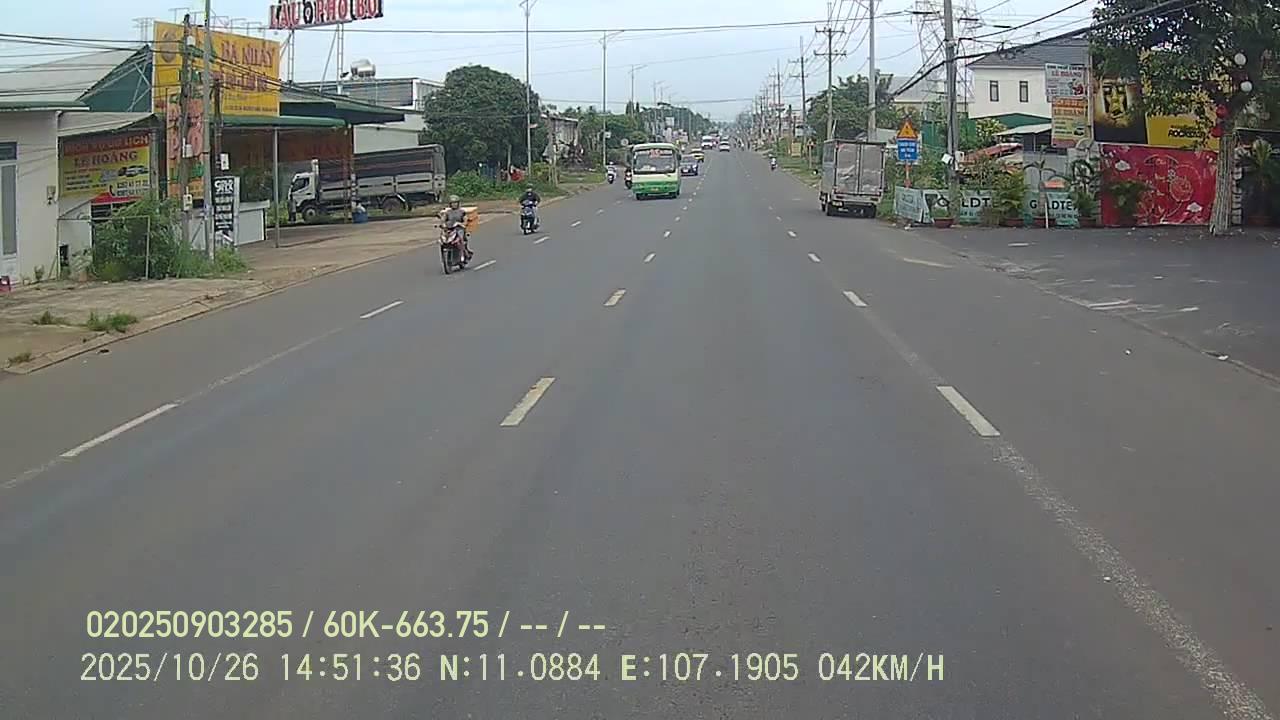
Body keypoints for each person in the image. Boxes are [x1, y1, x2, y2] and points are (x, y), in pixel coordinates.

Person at [441, 195, 472, 260]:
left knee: (460, 238)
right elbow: (443, 219)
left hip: (459, 228)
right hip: (449, 229)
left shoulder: (461, 212)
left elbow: (465, 220)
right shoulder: (448, 212)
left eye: (455, 203)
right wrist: (443, 224)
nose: (454, 204)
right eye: (452, 203)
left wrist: (462, 224)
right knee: (443, 239)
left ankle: (463, 253)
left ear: (458, 203)